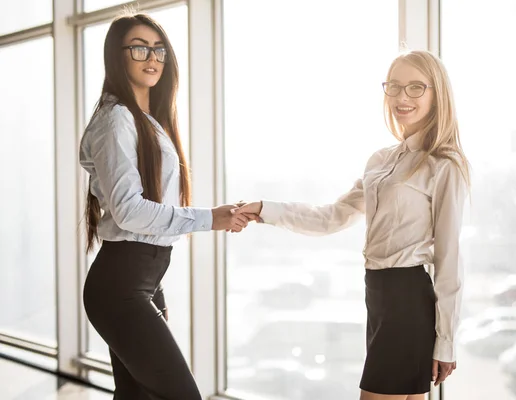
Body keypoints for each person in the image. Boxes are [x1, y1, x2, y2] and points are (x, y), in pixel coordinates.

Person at [235, 49, 470, 400]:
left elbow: (449, 258)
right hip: (378, 295)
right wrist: (265, 209)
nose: (402, 97)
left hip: (407, 298)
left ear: (437, 95)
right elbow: (330, 216)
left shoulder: (444, 165)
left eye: (416, 88)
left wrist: (446, 342)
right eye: (394, 87)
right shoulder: (380, 161)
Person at [79, 12, 253, 400]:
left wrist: (155, 291)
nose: (151, 56)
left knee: (136, 396)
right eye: (139, 47)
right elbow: (129, 212)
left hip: (140, 279)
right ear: (117, 56)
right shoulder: (117, 120)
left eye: (158, 48)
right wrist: (211, 218)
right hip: (120, 285)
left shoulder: (145, 120)